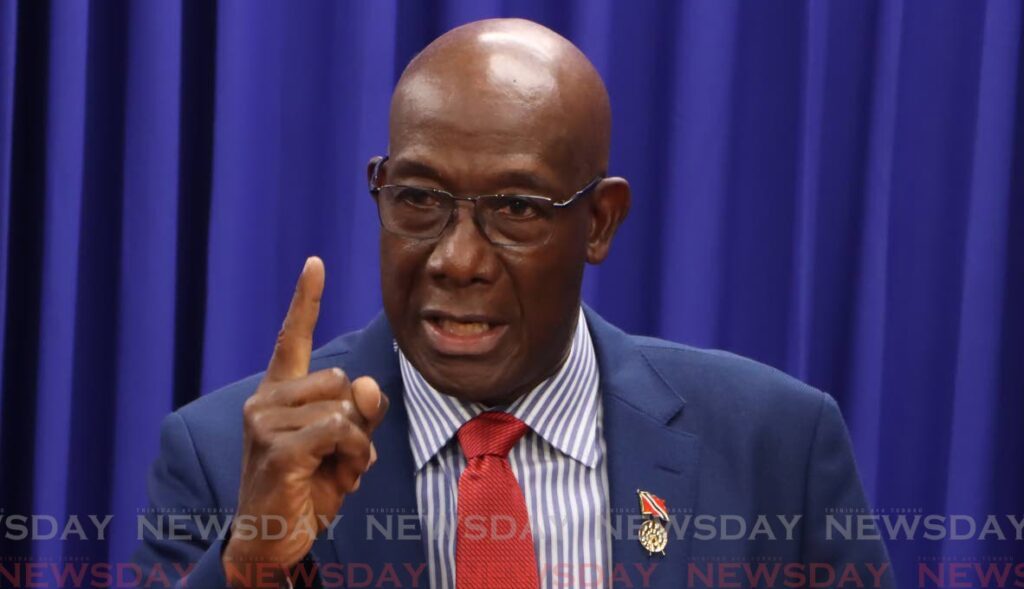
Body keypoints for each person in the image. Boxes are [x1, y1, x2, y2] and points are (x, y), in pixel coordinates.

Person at [134, 18, 894, 589]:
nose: (456, 259)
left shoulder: (776, 446)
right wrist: (252, 562)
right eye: (419, 198)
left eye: (517, 208)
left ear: (599, 222)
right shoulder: (223, 458)